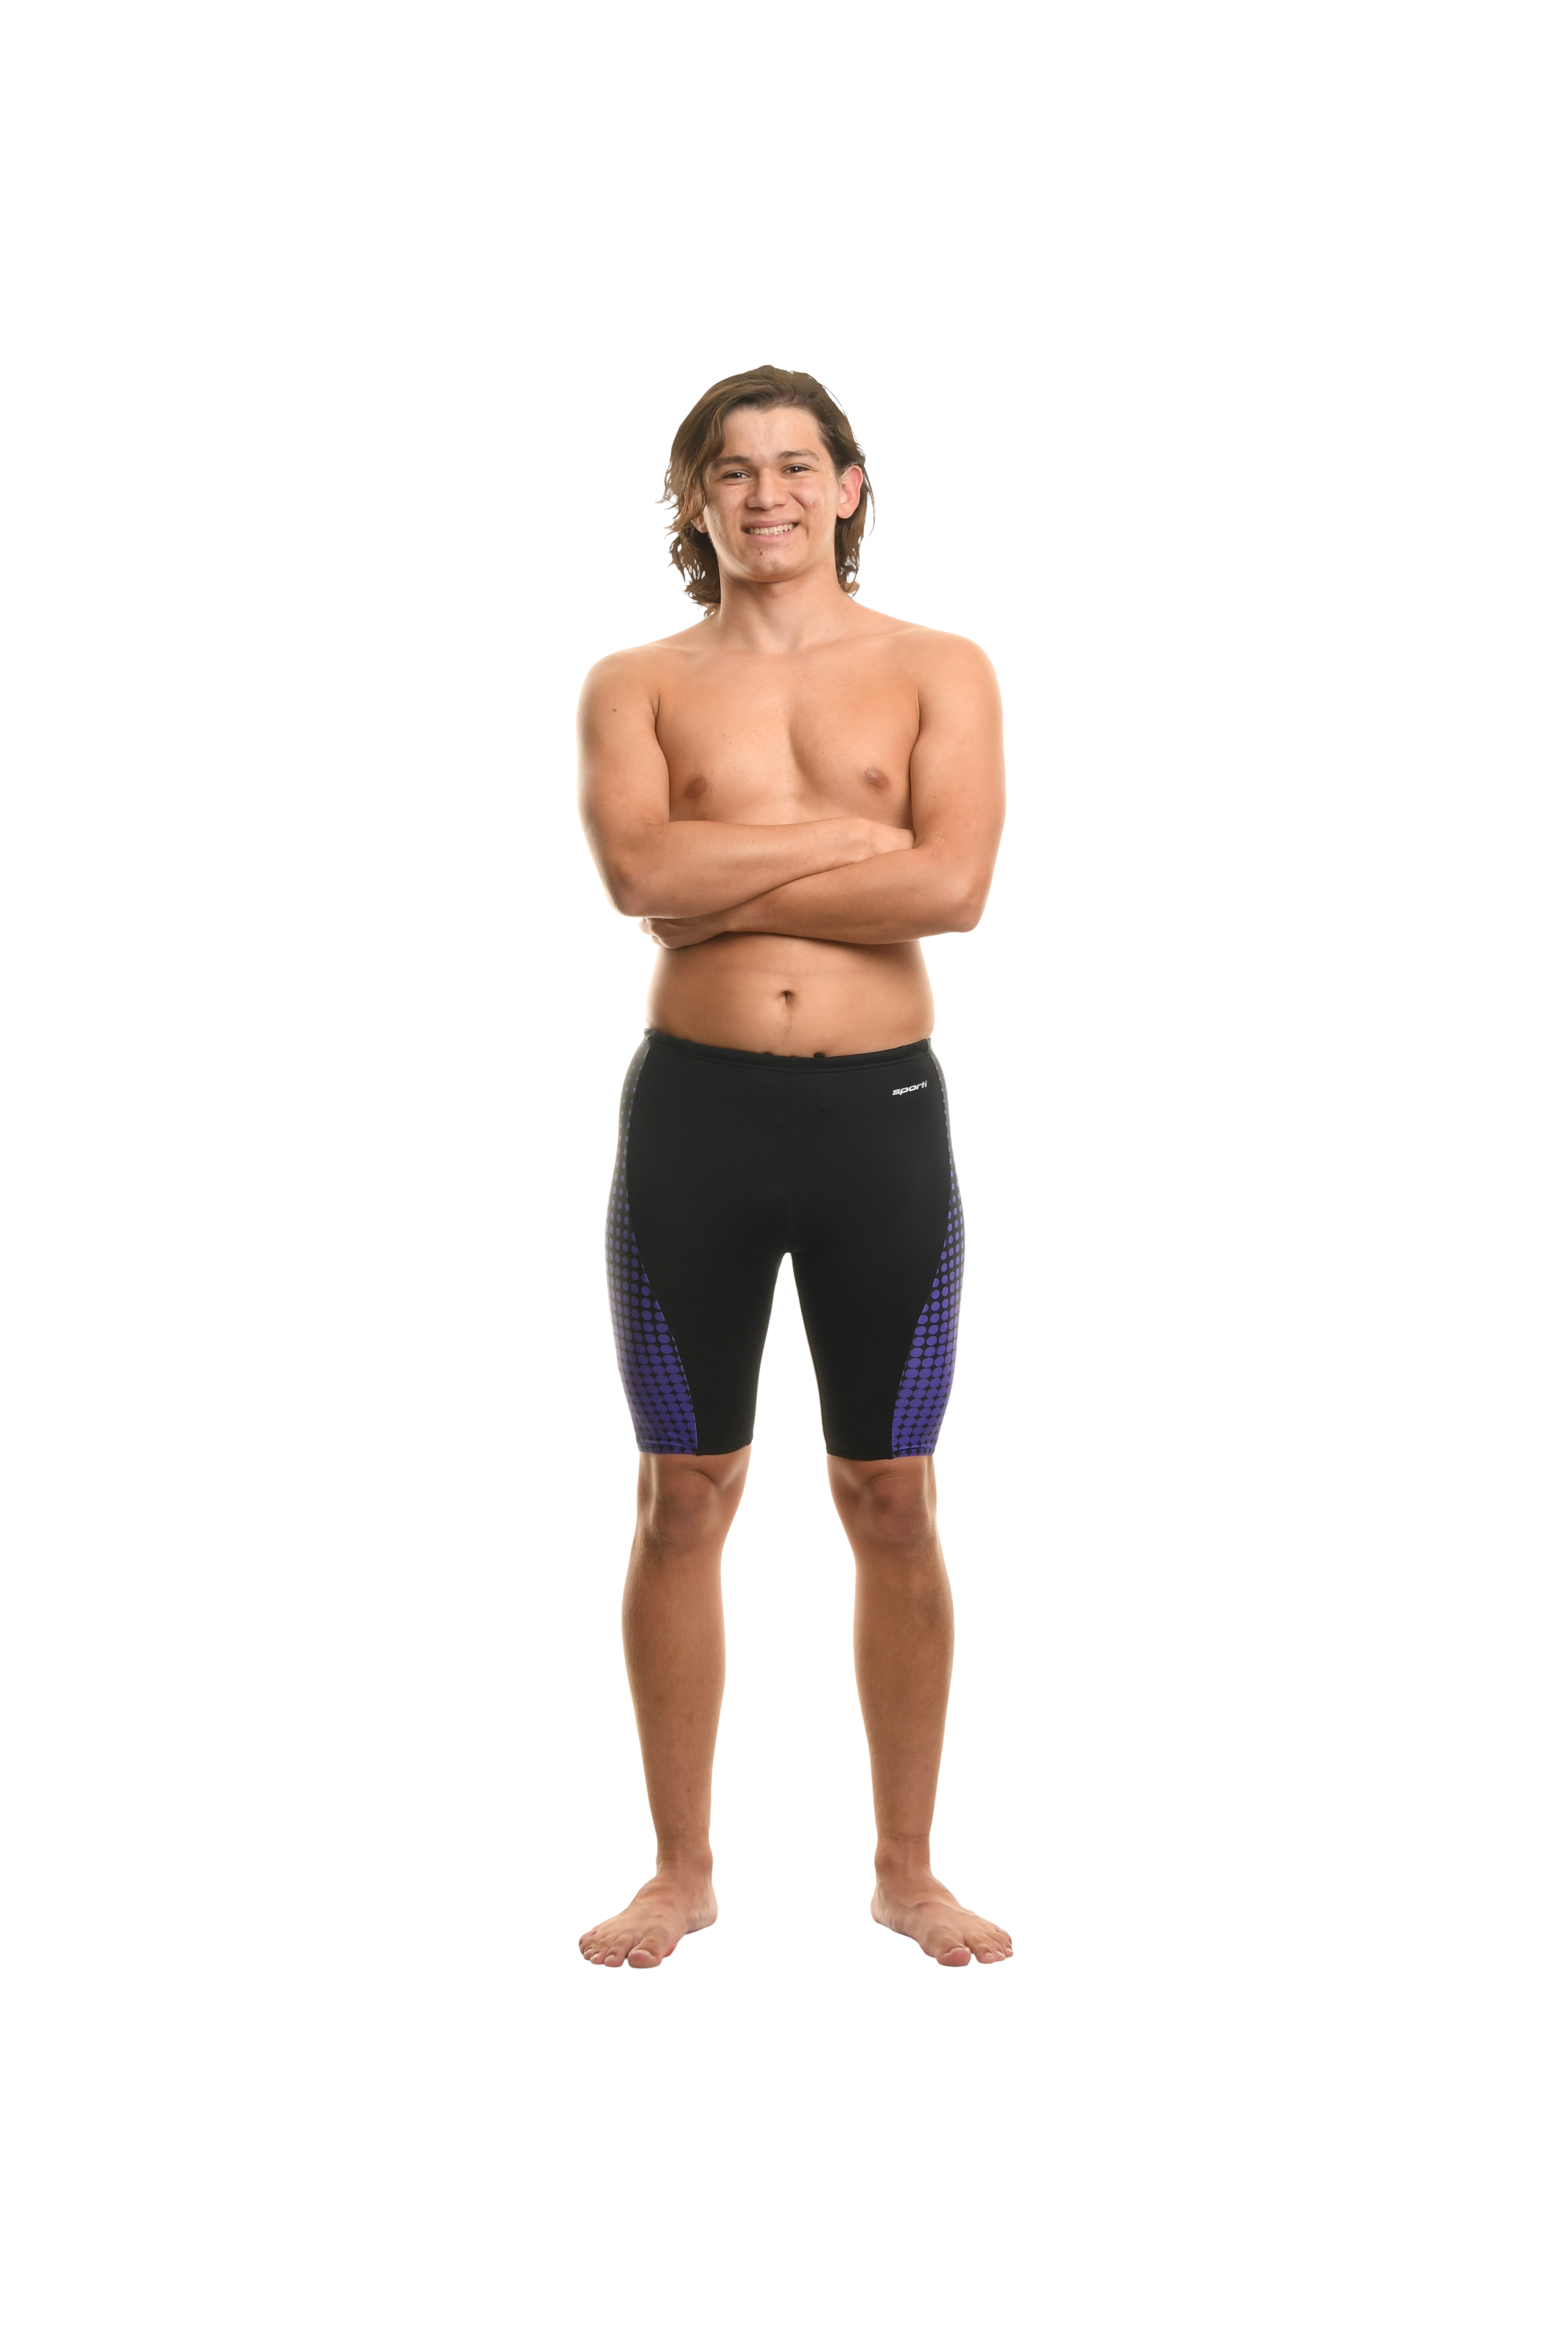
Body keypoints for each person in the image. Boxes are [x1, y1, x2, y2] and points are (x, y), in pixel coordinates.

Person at [575, 365, 1011, 1968]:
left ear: (847, 486)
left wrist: (720, 879)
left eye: (795, 464)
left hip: (877, 1118)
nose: (765, 493)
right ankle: (682, 1872)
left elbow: (953, 887)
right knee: (682, 1495)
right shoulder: (636, 684)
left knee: (892, 1495)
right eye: (732, 468)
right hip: (694, 1120)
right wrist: (851, 845)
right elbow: (637, 870)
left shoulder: (938, 669)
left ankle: (906, 1870)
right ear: (692, 498)